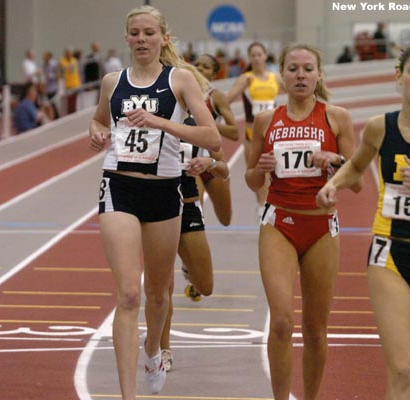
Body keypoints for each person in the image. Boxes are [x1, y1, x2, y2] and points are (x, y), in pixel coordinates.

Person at [316, 43, 410, 400]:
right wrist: (332, 185)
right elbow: (356, 166)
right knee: (400, 367)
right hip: (389, 254)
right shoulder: (378, 128)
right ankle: (406, 382)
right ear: (398, 77)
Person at [88, 5, 220, 398]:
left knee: (158, 294)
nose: (141, 39)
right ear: (126, 38)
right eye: (135, 33)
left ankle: (152, 350)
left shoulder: (180, 80)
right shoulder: (113, 82)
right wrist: (96, 133)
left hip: (164, 191)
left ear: (163, 38)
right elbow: (99, 121)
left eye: (149, 33)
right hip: (119, 187)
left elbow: (212, 138)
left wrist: (161, 122)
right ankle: (129, 394)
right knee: (129, 293)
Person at [245, 43, 361, 400]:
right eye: (293, 69)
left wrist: (333, 160)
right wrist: (259, 169)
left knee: (315, 330)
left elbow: (356, 181)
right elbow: (250, 179)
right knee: (281, 322)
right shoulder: (267, 120)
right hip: (278, 222)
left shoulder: (336, 117)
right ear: (282, 75)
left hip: (321, 226)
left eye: (307, 69)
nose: (300, 75)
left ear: (319, 74)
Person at [160, 112, 230, 371]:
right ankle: (162, 350)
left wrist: (209, 162)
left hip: (188, 207)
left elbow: (224, 169)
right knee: (162, 288)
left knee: (206, 285)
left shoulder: (198, 125)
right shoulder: (150, 117)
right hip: (156, 210)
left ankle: (189, 267)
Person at [227, 41, 284, 217]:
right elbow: (228, 99)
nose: (257, 58)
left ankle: (267, 203)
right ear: (250, 58)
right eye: (254, 55)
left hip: (272, 132)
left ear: (265, 56)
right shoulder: (247, 78)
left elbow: (295, 93)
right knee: (257, 171)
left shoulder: (275, 77)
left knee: (273, 171)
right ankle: (261, 206)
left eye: (260, 54)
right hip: (252, 133)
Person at [193, 53, 238, 226]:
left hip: (214, 162)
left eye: (205, 66)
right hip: (191, 163)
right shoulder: (180, 91)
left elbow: (234, 132)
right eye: (196, 64)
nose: (199, 68)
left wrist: (206, 123)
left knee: (225, 219)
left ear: (213, 74)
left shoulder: (216, 96)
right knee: (194, 219)